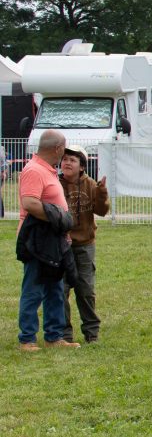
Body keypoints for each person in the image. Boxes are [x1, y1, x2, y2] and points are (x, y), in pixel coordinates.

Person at [16, 129, 79, 351]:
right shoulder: (33, 170)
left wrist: (62, 229)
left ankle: (54, 337)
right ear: (58, 148)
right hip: (37, 240)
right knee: (33, 289)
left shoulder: (47, 170)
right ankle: (27, 339)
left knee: (54, 288)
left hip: (52, 239)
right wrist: (59, 218)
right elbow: (30, 203)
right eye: (64, 148)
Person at [59, 144, 109, 344]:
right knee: (60, 290)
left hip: (84, 245)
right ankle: (64, 334)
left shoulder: (90, 184)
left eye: (72, 160)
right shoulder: (55, 184)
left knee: (85, 290)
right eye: (65, 159)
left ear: (81, 166)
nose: (67, 163)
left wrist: (102, 193)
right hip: (61, 246)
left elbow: (102, 211)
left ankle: (91, 333)